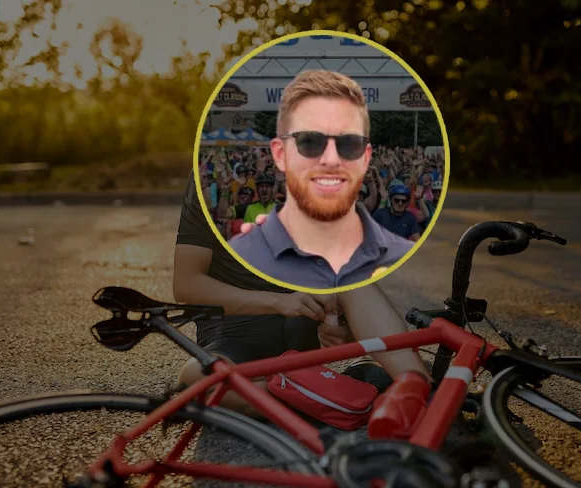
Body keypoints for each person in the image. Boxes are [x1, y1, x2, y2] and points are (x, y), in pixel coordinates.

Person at [173, 170, 431, 418]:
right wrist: (279, 302)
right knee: (194, 381)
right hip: (234, 334)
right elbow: (187, 285)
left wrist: (345, 329)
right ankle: (346, 395)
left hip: (302, 325)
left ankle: (422, 390)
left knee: (355, 282)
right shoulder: (207, 182)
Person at [227, 70, 413, 289]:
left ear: (366, 158)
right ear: (280, 155)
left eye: (349, 144)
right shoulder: (235, 264)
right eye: (309, 141)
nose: (331, 160)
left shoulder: (408, 262)